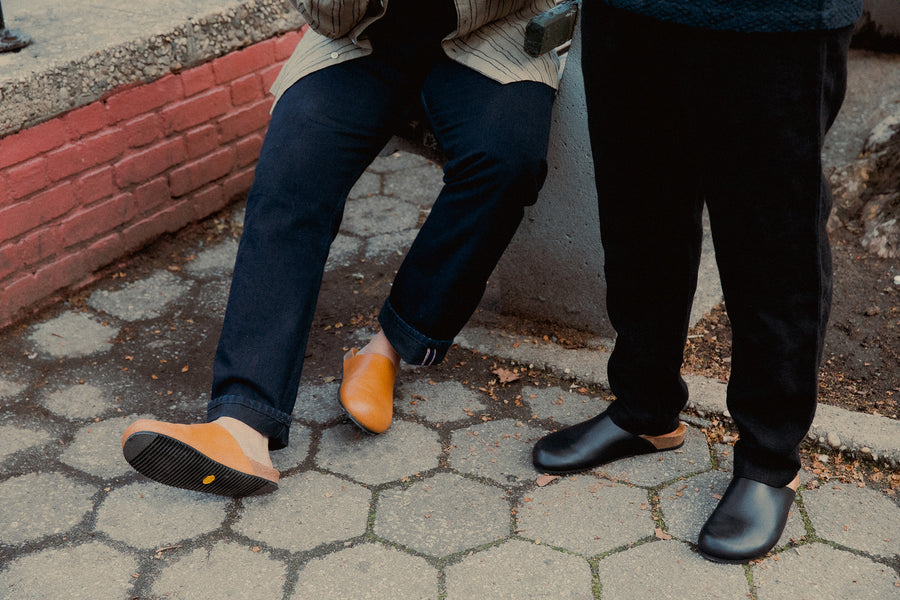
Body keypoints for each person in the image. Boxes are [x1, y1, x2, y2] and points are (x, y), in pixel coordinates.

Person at [121, 0, 559, 499]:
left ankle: (390, 347)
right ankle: (241, 424)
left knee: (506, 162)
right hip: (361, 36)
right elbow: (326, 14)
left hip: (492, 38)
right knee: (291, 175)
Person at [531, 0, 863, 564]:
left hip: (770, 22)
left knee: (772, 241)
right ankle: (644, 408)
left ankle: (769, 460)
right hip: (631, 10)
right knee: (637, 213)